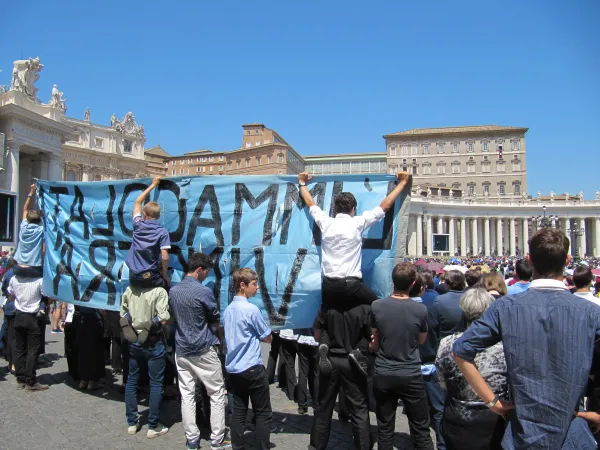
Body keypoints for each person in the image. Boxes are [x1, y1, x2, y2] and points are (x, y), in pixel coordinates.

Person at [452, 228, 600, 449]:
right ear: (568, 260)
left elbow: (460, 351)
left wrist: (492, 402)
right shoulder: (591, 312)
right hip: (572, 432)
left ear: (529, 260)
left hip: (522, 433)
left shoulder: (506, 307)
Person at [298, 170, 410, 376]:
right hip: (351, 284)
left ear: (335, 208)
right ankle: (360, 348)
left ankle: (324, 343)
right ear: (353, 208)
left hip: (329, 285)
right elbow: (385, 206)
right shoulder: (357, 223)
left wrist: (302, 183)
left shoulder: (326, 222)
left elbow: (310, 204)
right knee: (375, 307)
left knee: (327, 313)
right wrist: (402, 184)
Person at [169, 252, 231, 450]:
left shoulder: (174, 291)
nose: (206, 276)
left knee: (187, 394)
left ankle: (192, 438)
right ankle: (218, 438)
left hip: (182, 349)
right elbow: (214, 316)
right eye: (205, 272)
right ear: (198, 270)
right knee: (217, 393)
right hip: (203, 348)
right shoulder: (203, 292)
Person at [370, 263, 434, 450]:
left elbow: (375, 338)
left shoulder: (377, 306)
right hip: (410, 372)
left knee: (385, 427)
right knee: (420, 427)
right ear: (413, 283)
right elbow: (421, 340)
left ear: (393, 281)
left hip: (384, 370)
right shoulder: (420, 310)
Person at [435, 288, 507, 450]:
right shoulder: (503, 345)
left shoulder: (447, 343)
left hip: (459, 416)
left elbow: (442, 381)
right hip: (494, 417)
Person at [223, 268, 273, 450]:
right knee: (262, 412)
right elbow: (267, 336)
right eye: (254, 284)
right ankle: (263, 446)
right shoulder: (251, 310)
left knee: (238, 410)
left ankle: (238, 446)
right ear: (242, 285)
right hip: (252, 367)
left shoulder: (228, 310)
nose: (257, 287)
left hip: (234, 369)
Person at [121, 280, 171, 437]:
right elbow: (164, 318)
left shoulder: (130, 288)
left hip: (134, 340)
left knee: (132, 380)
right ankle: (153, 426)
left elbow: (123, 313)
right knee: (156, 383)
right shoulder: (159, 291)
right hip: (153, 341)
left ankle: (131, 423)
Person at [124, 176, 171, 291]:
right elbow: (165, 257)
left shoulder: (138, 225)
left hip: (133, 275)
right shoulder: (162, 232)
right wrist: (165, 275)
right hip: (150, 277)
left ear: (144, 214)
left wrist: (153, 185)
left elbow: (138, 201)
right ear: (159, 216)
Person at [418, 270, 446, 450]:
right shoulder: (437, 304)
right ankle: (442, 443)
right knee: (438, 408)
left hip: (415, 362)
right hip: (432, 359)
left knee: (417, 409)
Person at [8, 268, 47, 390]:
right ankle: (30, 380)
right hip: (31, 317)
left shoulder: (14, 279)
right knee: (32, 350)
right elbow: (46, 295)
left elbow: (11, 294)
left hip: (19, 315)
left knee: (19, 349)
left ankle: (20, 378)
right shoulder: (39, 280)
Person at [429, 271, 467, 342]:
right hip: (464, 340)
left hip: (444, 340)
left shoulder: (439, 300)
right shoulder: (470, 298)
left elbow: (433, 325)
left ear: (447, 284)